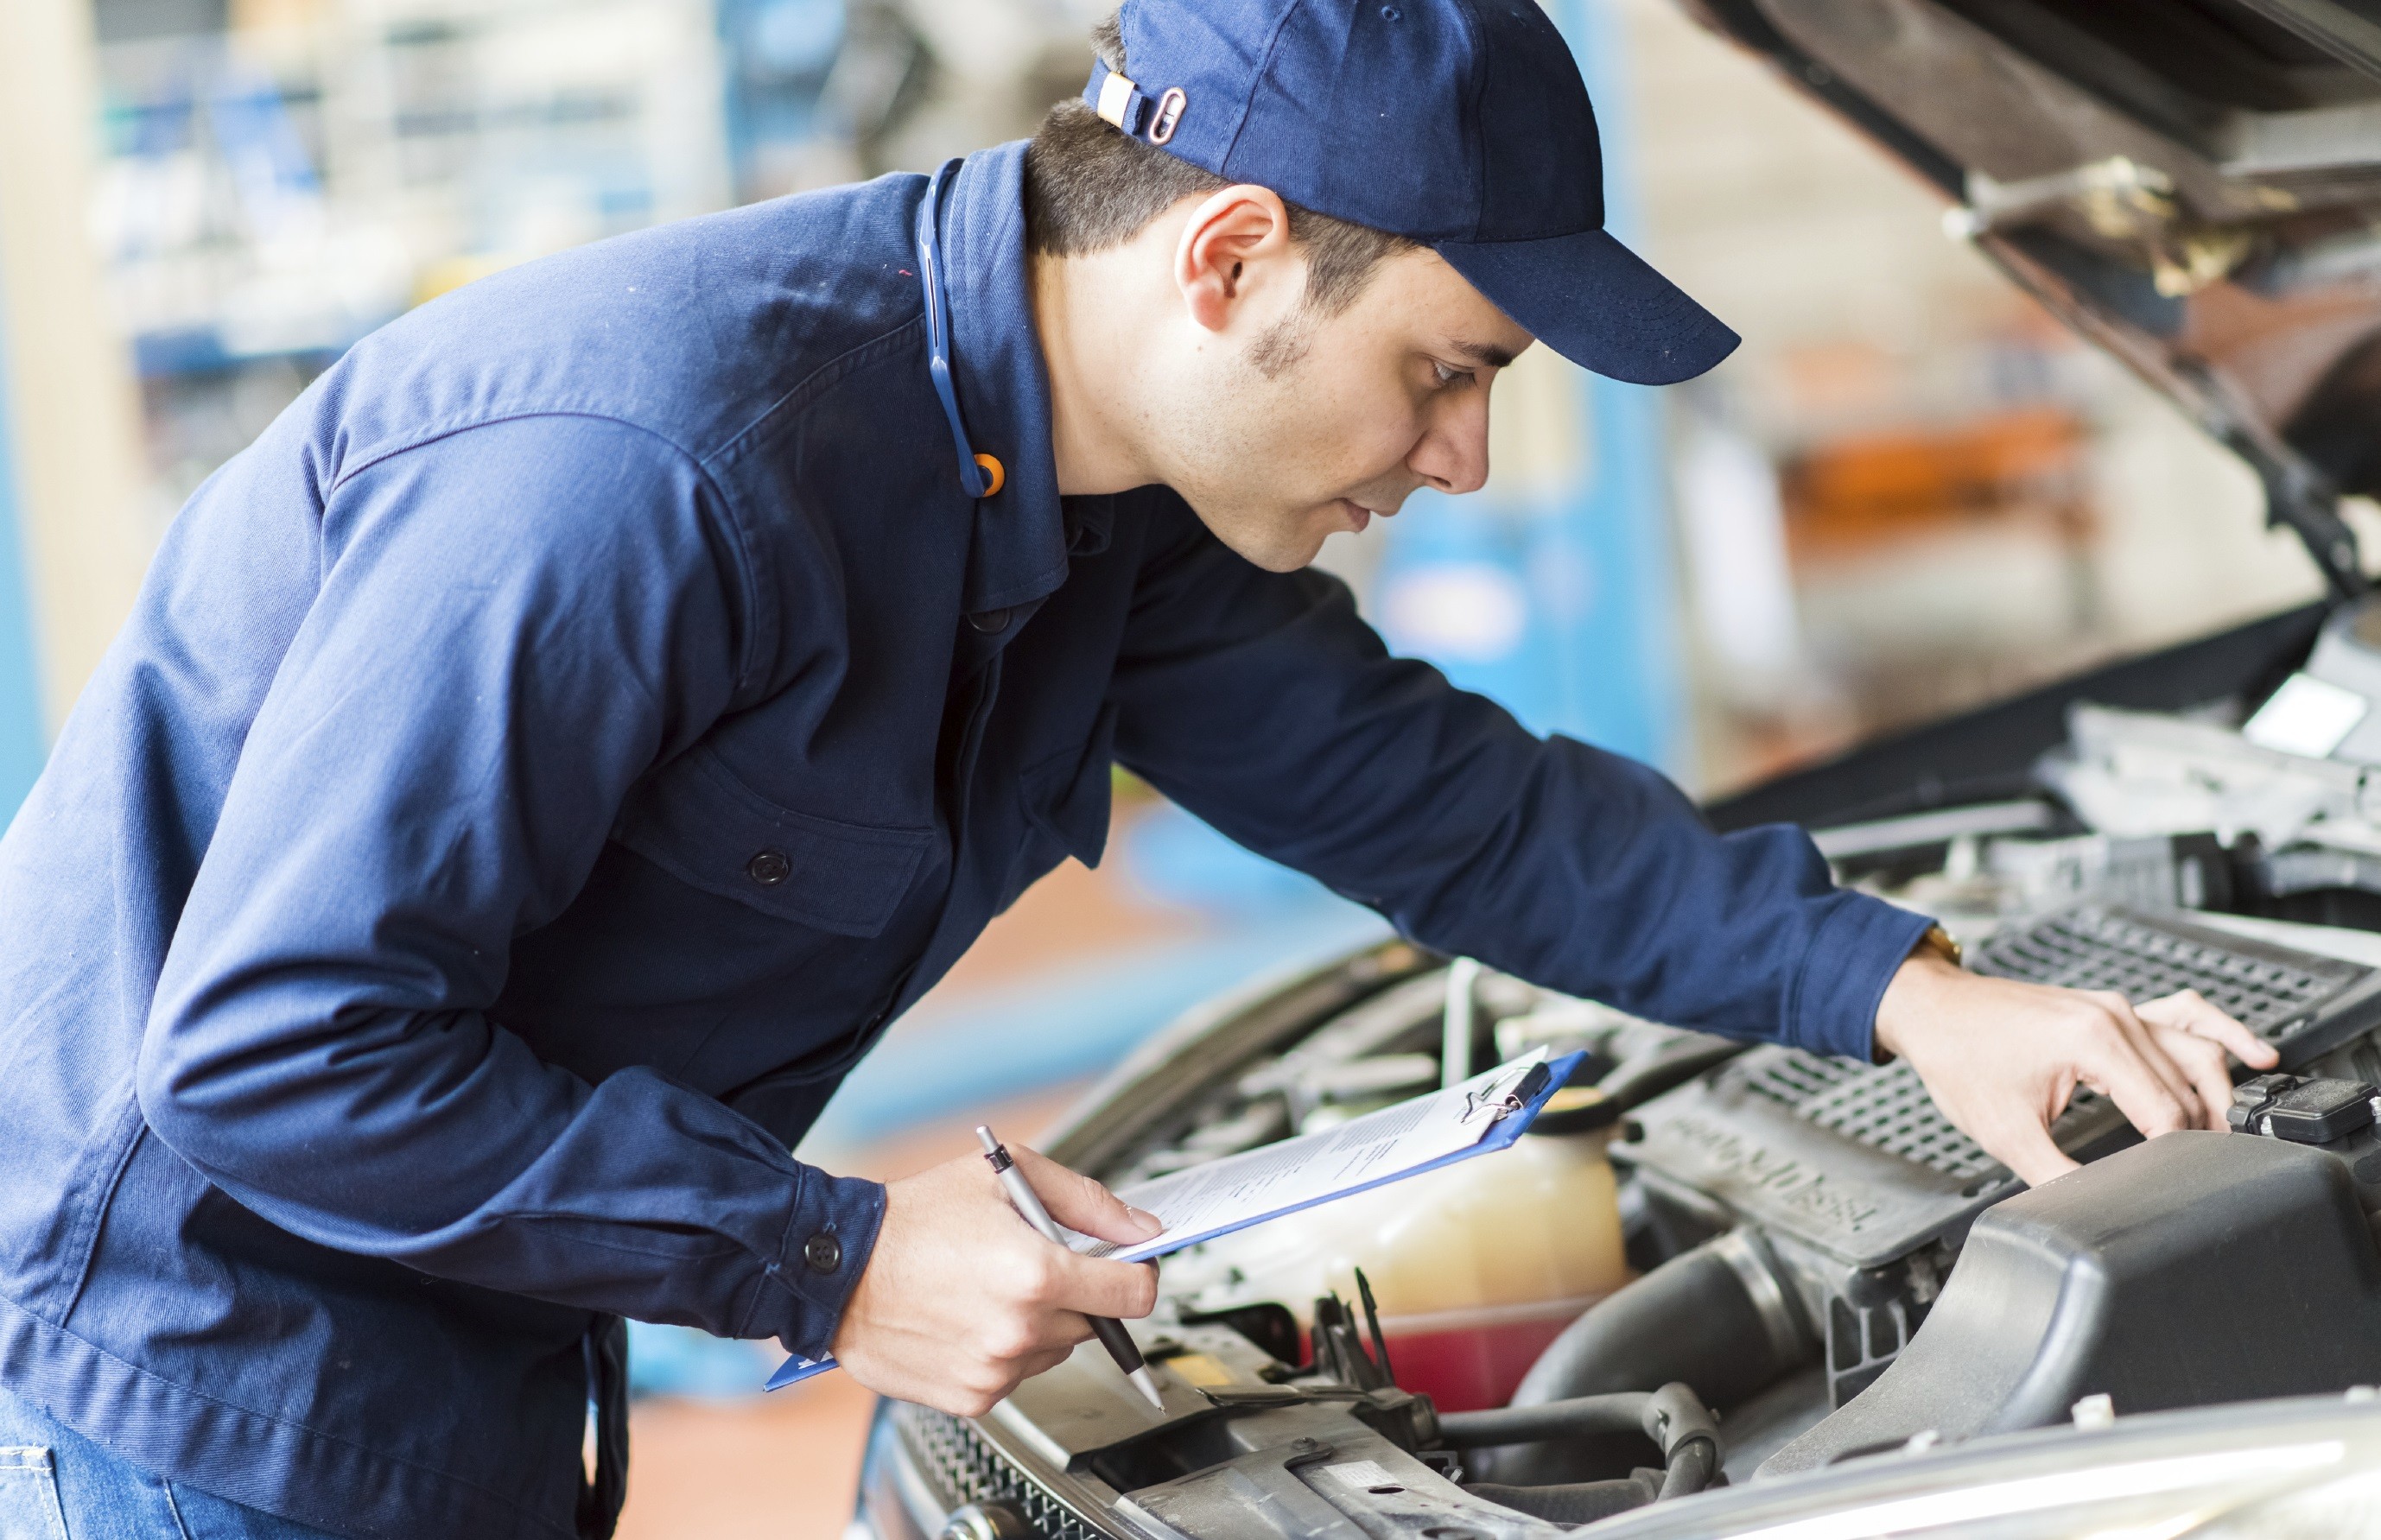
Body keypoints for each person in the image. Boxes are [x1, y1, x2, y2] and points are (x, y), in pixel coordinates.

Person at [0, 1, 2277, 1536]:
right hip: (210, 1364)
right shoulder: (655, 468)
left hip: (470, 1323)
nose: (1464, 460)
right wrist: (831, 1260)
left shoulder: (1101, 516)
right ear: (1224, 260)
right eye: (1441, 371)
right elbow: (270, 1056)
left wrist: (1915, 994)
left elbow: (1449, 807)